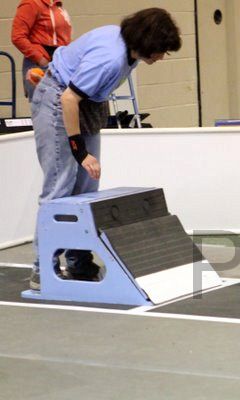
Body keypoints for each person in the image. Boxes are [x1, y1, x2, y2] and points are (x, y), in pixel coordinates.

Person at [29, 8, 182, 290]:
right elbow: (68, 99)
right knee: (58, 187)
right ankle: (42, 270)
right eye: (162, 51)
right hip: (59, 101)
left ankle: (78, 261)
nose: (162, 57)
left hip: (85, 103)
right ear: (148, 43)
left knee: (88, 187)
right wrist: (79, 151)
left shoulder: (128, 48)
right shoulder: (110, 59)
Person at [11, 0, 72, 101]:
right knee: (44, 111)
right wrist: (41, 60)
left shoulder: (57, 5)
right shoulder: (31, 3)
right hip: (41, 64)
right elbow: (17, 37)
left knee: (62, 109)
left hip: (59, 64)